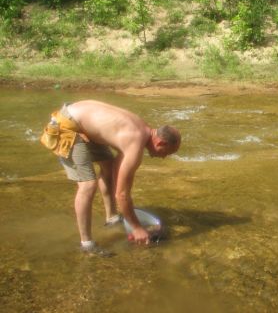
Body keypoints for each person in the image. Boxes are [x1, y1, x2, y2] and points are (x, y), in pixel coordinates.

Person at [41, 100, 181, 256]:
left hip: (80, 122)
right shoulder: (135, 143)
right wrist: (137, 228)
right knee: (88, 185)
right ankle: (86, 244)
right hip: (65, 127)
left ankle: (112, 218)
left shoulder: (142, 129)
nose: (164, 158)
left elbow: (116, 171)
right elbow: (122, 195)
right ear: (160, 142)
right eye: (167, 153)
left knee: (108, 165)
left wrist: (128, 212)